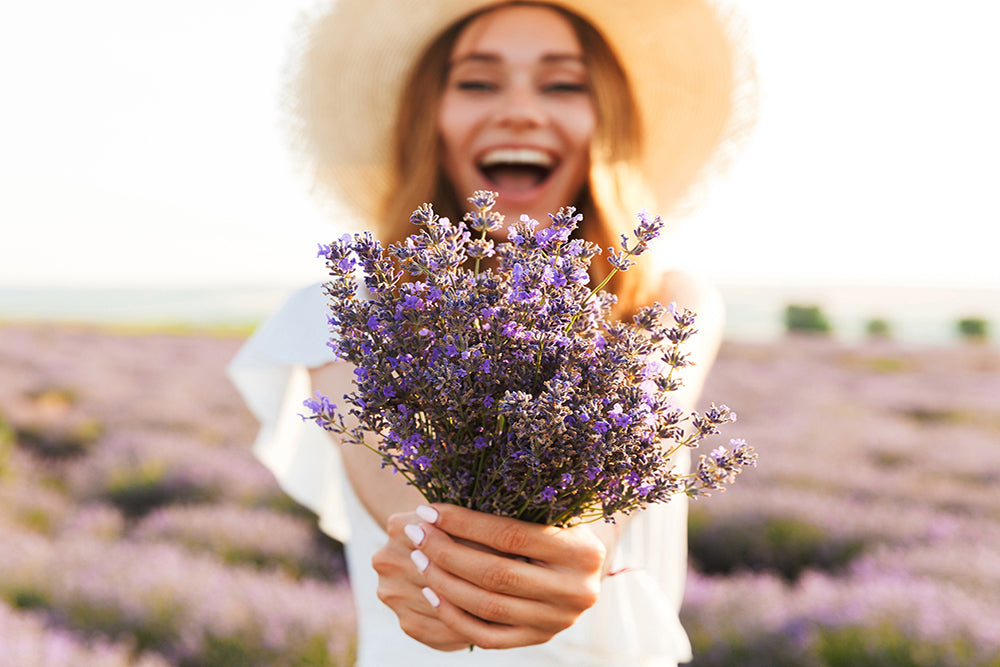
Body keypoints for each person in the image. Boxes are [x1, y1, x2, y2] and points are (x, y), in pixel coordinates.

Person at [228, 1, 755, 664]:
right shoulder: (349, 309)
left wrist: (570, 546)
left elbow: (617, 474)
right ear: (432, 117)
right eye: (477, 81)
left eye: (563, 83)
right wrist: (438, 559)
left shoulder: (666, 303)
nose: (519, 112)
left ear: (607, 118)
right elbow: (394, 480)